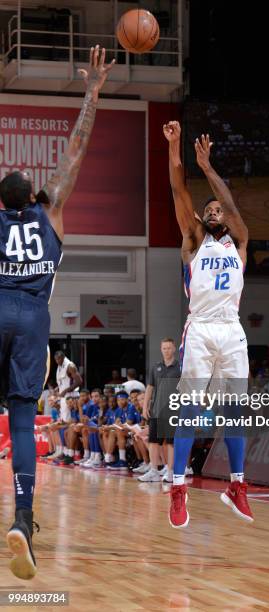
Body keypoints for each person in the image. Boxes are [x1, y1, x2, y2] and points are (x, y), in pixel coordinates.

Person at [0, 45, 114, 580]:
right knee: (23, 421)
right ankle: (23, 517)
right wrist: (92, 92)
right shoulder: (53, 213)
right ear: (34, 197)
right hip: (33, 316)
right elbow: (74, 153)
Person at [163, 121, 253, 528]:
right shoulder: (193, 240)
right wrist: (176, 147)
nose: (218, 213)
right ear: (202, 217)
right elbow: (179, 190)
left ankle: (237, 485)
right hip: (200, 327)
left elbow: (231, 206)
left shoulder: (241, 241)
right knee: (191, 409)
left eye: (221, 211)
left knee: (236, 410)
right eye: (211, 210)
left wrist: (210, 166)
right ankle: (178, 487)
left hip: (231, 328)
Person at [137, 338, 179, 483]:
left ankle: (170, 471)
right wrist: (145, 406)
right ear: (161, 350)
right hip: (156, 410)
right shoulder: (156, 367)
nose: (167, 350)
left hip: (173, 410)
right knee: (153, 441)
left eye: (169, 348)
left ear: (174, 349)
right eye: (164, 348)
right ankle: (154, 471)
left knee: (170, 442)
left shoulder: (180, 367)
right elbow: (150, 387)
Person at [54, 351, 83, 423]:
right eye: (56, 359)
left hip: (71, 396)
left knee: (69, 421)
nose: (57, 361)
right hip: (63, 396)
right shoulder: (59, 366)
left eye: (59, 359)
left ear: (63, 357)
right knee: (63, 420)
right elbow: (64, 382)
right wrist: (58, 388)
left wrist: (66, 390)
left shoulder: (70, 366)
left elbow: (79, 381)